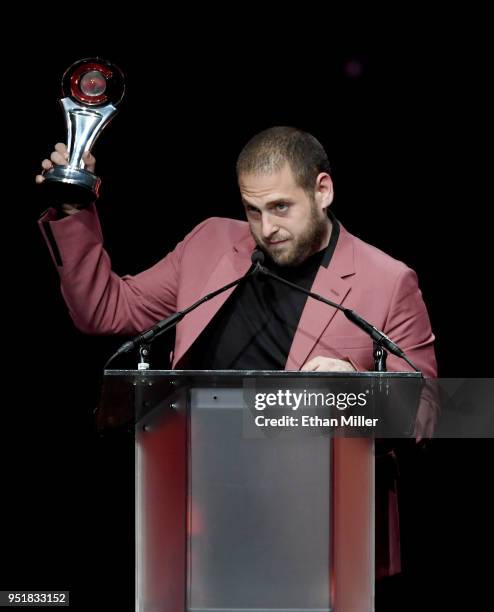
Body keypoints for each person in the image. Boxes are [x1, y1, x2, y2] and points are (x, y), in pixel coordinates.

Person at [36, 126, 437, 577]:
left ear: (322, 190)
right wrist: (76, 207)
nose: (267, 229)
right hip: (198, 525)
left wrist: (356, 392)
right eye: (253, 210)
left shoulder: (387, 280)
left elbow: (428, 416)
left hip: (318, 535)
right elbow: (104, 309)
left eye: (281, 207)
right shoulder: (210, 243)